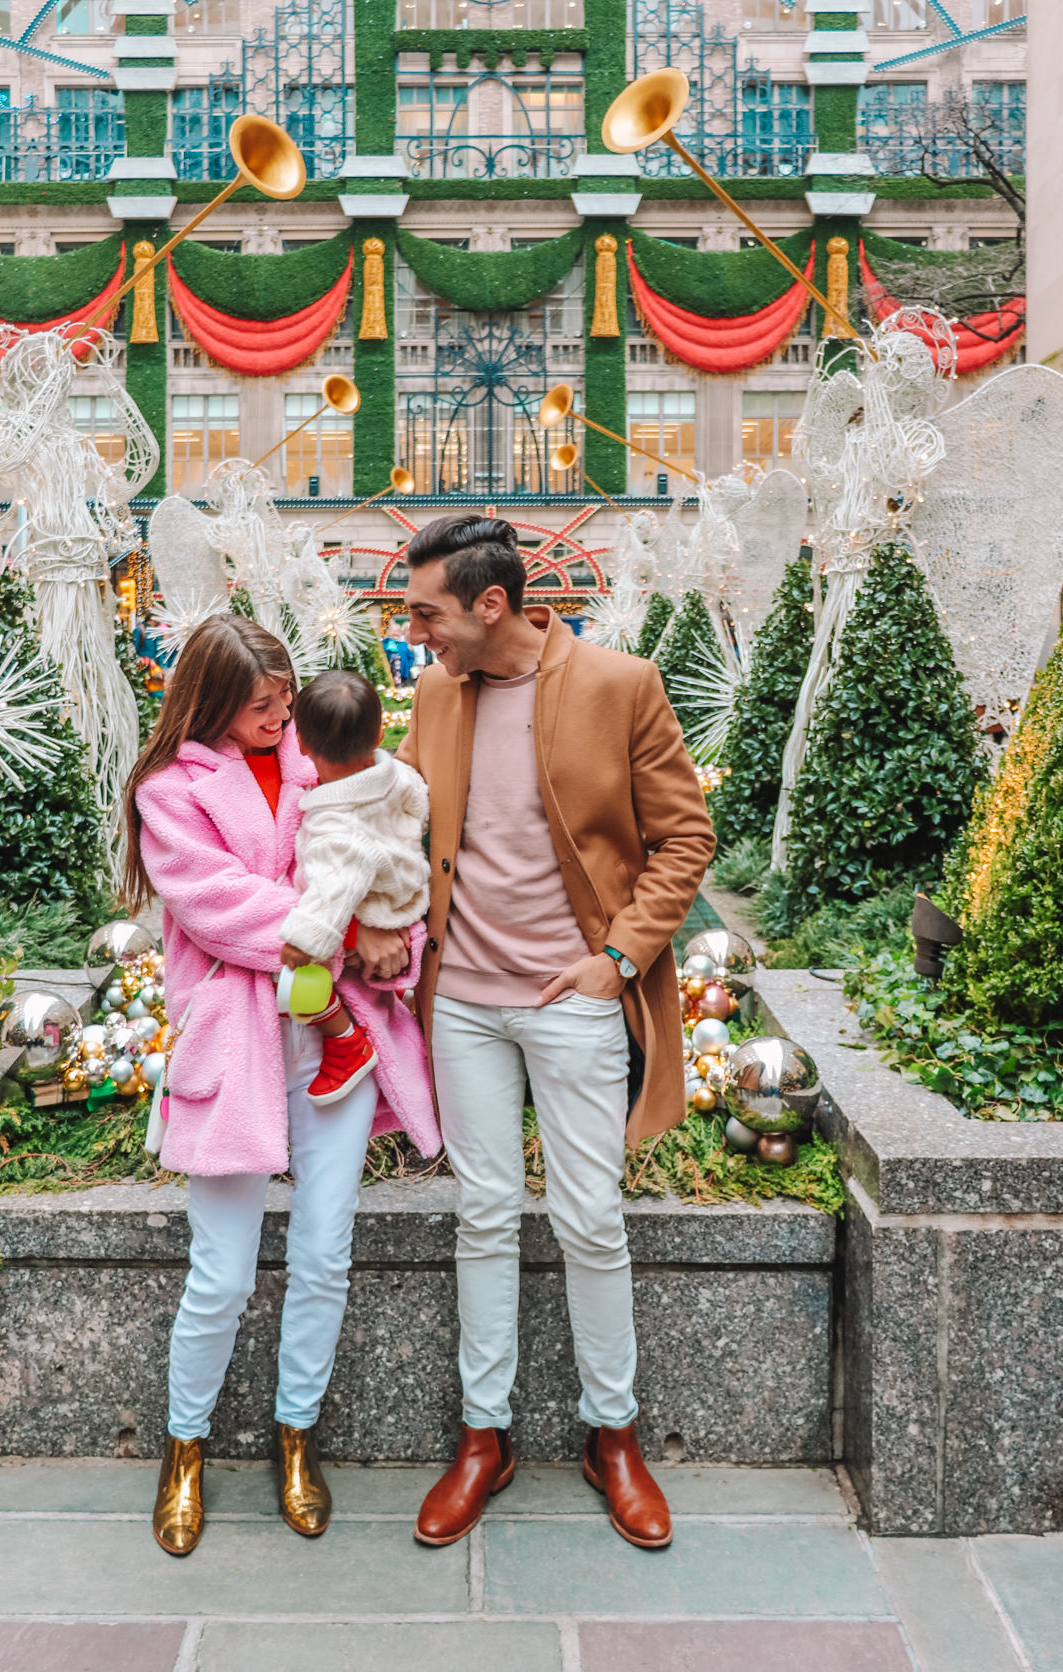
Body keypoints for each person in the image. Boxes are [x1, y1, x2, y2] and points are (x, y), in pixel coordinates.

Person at [398, 515, 715, 1552]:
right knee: (483, 1215)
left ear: (491, 605)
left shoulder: (621, 684)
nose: (416, 632)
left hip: (573, 997)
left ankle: (611, 1436)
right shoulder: (435, 692)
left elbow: (686, 834)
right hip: (463, 1005)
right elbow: (402, 825)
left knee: (590, 1217)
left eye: (427, 613)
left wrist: (614, 962)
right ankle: (482, 1438)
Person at [123, 615, 440, 1558]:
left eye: (285, 700)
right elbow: (217, 908)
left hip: (334, 1047)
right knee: (218, 1273)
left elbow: (390, 868)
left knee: (325, 1254)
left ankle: (295, 1434)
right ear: (214, 701)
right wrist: (346, 935)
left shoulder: (327, 760)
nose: (278, 718)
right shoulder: (171, 790)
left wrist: (392, 934)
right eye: (259, 706)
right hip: (237, 1044)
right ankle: (186, 1449)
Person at [281, 667, 431, 1106]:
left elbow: (334, 891)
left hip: (366, 913)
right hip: (400, 898)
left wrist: (303, 940)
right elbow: (419, 811)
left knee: (296, 980)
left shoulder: (335, 825)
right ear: (380, 729)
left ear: (303, 745)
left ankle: (343, 1041)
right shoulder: (399, 777)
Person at [382, 617, 415, 687]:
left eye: (398, 631)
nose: (396, 633)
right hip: (388, 673)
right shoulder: (384, 643)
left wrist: (407, 666)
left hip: (402, 673)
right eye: (394, 631)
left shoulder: (403, 644)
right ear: (389, 632)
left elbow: (411, 657)